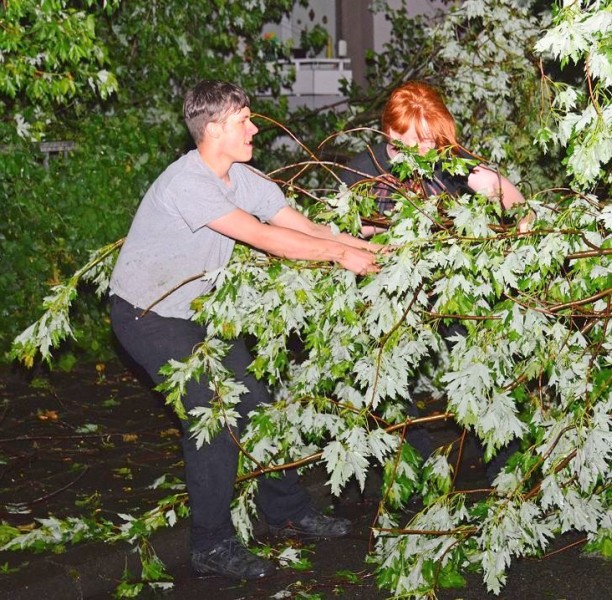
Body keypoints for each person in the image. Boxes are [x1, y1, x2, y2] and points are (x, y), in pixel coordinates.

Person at [108, 80, 382, 581]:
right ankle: (210, 546)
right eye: (244, 120)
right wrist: (342, 255)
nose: (255, 127)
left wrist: (360, 244)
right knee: (215, 413)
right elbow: (264, 238)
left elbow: (298, 225)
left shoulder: (243, 177)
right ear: (213, 129)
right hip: (147, 316)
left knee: (257, 404)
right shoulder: (187, 183)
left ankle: (285, 511)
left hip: (196, 314)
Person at [341, 80, 525, 483]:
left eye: (431, 140)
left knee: (481, 369)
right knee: (380, 383)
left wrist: (507, 204)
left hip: (450, 284)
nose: (426, 150)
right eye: (416, 141)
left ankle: (506, 470)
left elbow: (512, 201)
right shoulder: (364, 168)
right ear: (391, 135)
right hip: (389, 291)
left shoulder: (448, 158)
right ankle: (422, 465)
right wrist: (373, 233)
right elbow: (340, 234)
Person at [340, 80, 525, 233]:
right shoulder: (360, 170)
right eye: (421, 139)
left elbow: (493, 182)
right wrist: (396, 222)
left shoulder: (443, 156)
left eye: (433, 139)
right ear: (395, 134)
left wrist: (526, 220)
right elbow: (342, 231)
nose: (430, 146)